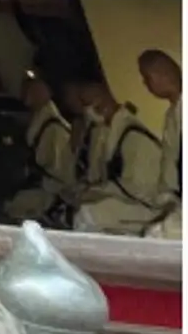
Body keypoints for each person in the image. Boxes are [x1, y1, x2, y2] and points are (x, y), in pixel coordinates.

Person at [66, 77, 172, 236]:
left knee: (88, 214)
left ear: (103, 101)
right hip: (126, 200)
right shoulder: (104, 132)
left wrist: (99, 191)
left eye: (88, 103)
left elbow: (141, 191)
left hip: (148, 209)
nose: (85, 110)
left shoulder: (135, 136)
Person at [0, 75, 74, 222]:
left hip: (52, 192)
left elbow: (63, 176)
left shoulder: (55, 128)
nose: (25, 90)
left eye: (32, 86)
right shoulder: (38, 119)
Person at [136, 49, 182, 237]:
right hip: (176, 201)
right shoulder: (173, 114)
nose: (145, 84)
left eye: (147, 78)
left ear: (161, 75)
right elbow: (171, 165)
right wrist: (168, 202)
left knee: (154, 236)